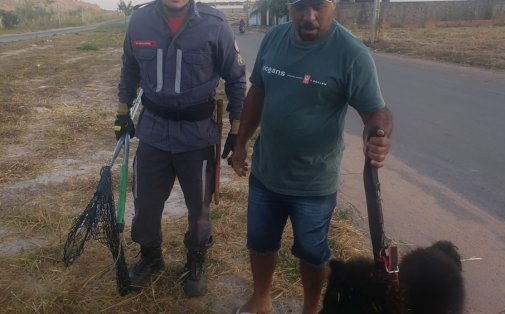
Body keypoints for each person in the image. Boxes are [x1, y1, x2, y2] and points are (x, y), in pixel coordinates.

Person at [230, 0, 393, 312]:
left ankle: (310, 308)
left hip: (314, 183)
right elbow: (258, 93)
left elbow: (376, 112)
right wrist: (241, 142)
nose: (309, 16)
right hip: (266, 173)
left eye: (318, 6)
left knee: (311, 252)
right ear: (289, 6)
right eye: (300, 6)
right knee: (260, 242)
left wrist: (378, 136)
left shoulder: (351, 54)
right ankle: (261, 297)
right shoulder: (274, 38)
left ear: (334, 4)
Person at [114, 0, 246, 297]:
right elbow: (130, 68)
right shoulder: (140, 21)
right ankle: (150, 256)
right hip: (154, 131)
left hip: (197, 135)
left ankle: (196, 258)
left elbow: (236, 79)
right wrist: (122, 113)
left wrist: (237, 131)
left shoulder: (216, 24)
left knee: (199, 206)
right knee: (145, 202)